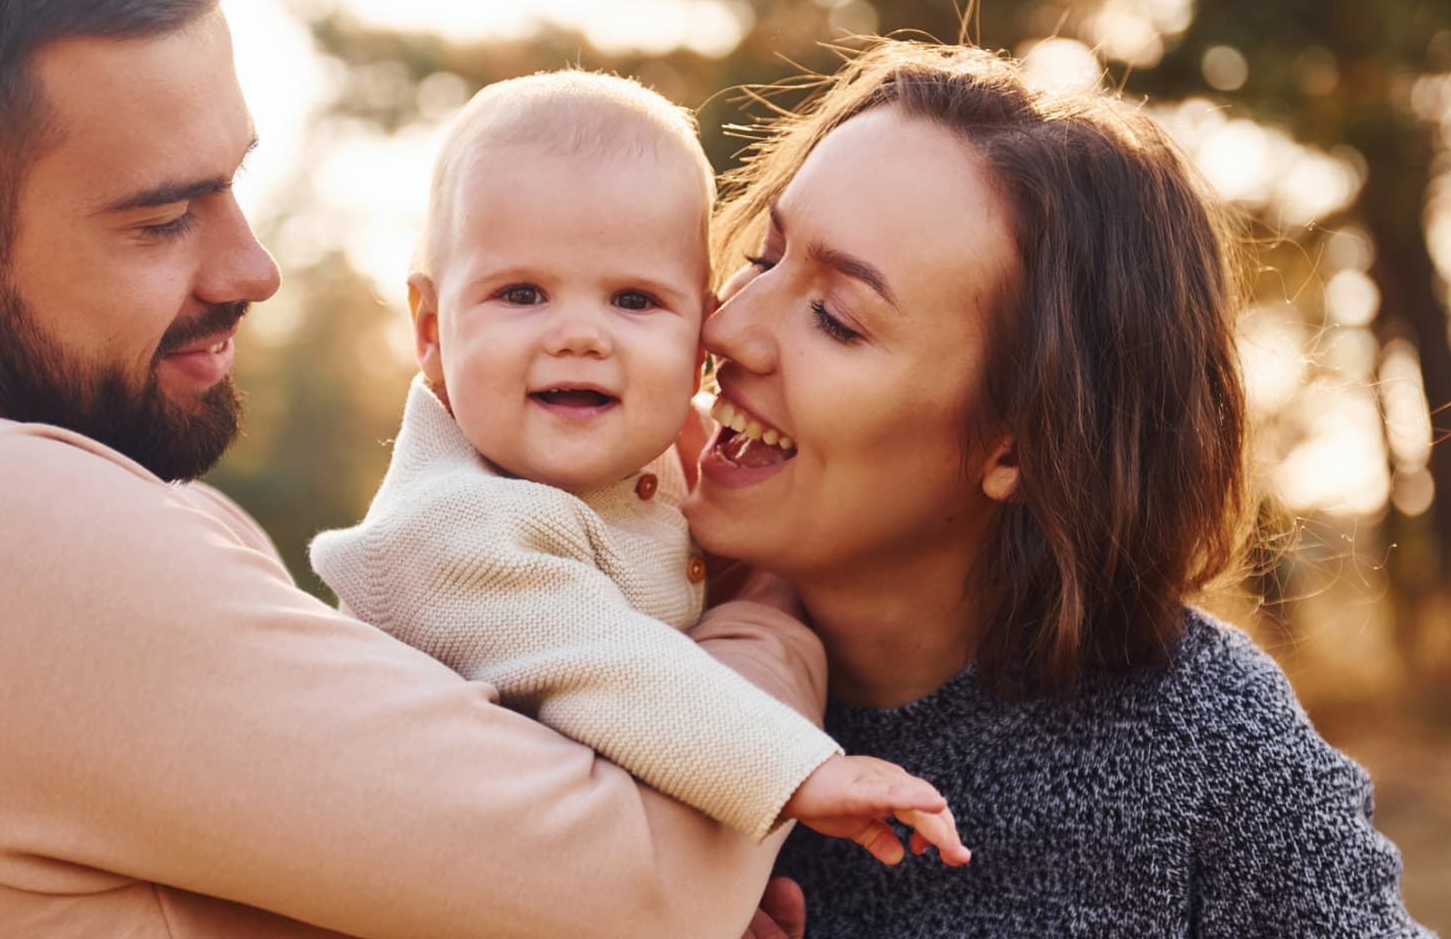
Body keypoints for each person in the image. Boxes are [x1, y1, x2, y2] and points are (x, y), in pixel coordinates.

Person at [0, 0, 821, 935]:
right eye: (161, 219)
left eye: (233, 183)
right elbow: (639, 895)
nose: (252, 269)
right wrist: (770, 615)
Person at [681, 40, 1435, 937]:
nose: (727, 327)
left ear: (1018, 443)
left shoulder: (1205, 749)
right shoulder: (596, 647)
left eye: (837, 319)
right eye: (764, 258)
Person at [312, 70, 968, 863]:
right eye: (522, 294)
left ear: (699, 340)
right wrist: (800, 774)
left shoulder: (660, 465)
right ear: (430, 333)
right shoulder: (450, 526)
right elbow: (612, 670)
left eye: (634, 302)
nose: (581, 336)